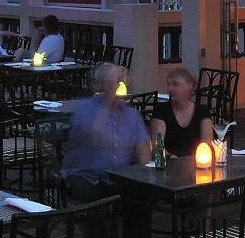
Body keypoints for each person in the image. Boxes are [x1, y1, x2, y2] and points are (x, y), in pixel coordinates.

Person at [61, 62, 151, 201]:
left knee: (143, 195)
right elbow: (93, 135)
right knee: (96, 198)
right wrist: (108, 101)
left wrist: (145, 175)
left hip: (118, 178)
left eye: (120, 82)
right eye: (115, 82)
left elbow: (143, 152)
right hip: (86, 176)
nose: (119, 86)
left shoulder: (132, 115)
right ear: (100, 86)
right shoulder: (85, 108)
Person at [150, 66, 215, 157]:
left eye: (175, 84)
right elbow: (158, 147)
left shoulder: (202, 111)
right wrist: (170, 156)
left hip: (197, 161)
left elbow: (207, 145)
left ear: (189, 86)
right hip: (170, 161)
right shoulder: (161, 111)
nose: (170, 88)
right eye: (168, 84)